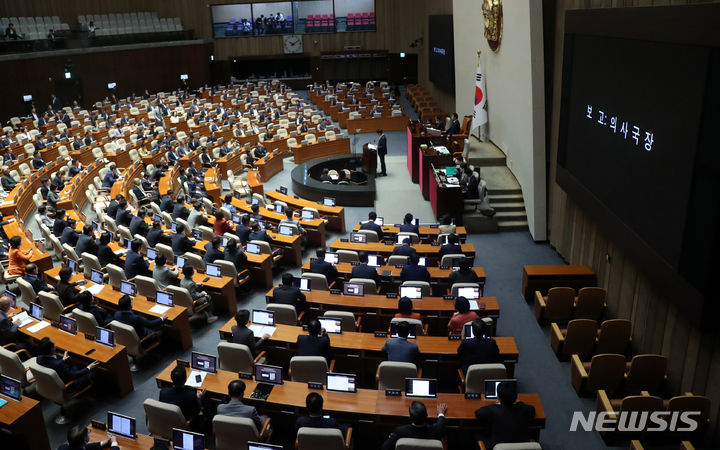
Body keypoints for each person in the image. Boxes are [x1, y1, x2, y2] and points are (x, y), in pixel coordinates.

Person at [474, 381, 536, 448]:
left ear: (498, 397)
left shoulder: (493, 409)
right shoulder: (523, 408)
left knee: (478, 435)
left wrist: (495, 405)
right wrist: (519, 402)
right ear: (516, 396)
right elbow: (532, 409)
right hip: (521, 446)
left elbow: (478, 413)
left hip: (498, 446)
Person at [381, 401, 447, 450]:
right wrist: (441, 413)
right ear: (426, 416)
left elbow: (385, 447)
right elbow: (441, 423)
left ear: (410, 417)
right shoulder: (437, 430)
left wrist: (391, 437)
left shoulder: (400, 431)